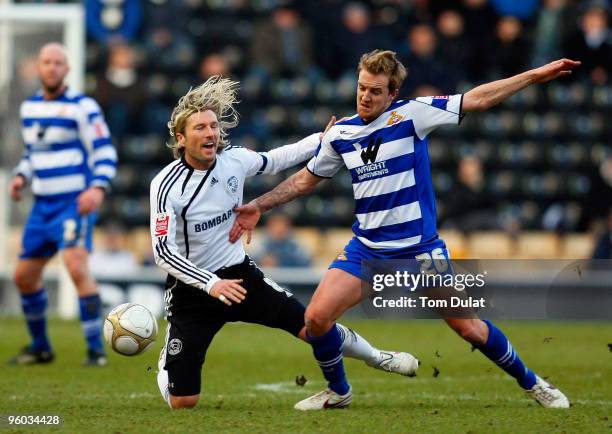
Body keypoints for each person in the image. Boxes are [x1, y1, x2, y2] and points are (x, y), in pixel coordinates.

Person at [231, 50, 579, 410]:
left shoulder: (412, 115)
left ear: (392, 94)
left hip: (422, 251)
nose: (366, 96)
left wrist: (534, 75)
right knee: (316, 319)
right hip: (367, 250)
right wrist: (260, 205)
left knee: (469, 328)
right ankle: (339, 390)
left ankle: (533, 383)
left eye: (376, 91)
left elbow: (477, 98)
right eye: (362, 88)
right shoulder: (341, 134)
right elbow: (305, 180)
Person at [151, 76, 419, 410]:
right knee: (184, 402)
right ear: (181, 138)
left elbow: (275, 159)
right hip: (193, 290)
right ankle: (168, 364)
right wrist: (211, 284)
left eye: (213, 126)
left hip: (239, 277)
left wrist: (321, 139)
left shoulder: (233, 159)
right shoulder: (166, 185)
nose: (210, 134)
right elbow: (162, 252)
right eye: (200, 128)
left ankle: (378, 357)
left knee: (313, 327)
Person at [8, 43, 117, 366]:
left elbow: (104, 150)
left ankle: (95, 351)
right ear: (39, 68)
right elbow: (33, 154)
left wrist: (98, 187)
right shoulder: (29, 108)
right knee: (24, 277)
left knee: (75, 266)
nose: (52, 67)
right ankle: (41, 347)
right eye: (47, 62)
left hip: (73, 203)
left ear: (67, 69)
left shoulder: (83, 107)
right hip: (42, 206)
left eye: (58, 63)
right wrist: (20, 176)